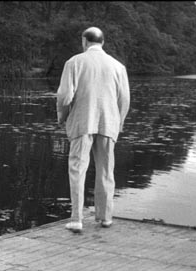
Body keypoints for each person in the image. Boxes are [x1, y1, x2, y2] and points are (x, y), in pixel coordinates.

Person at [56, 27, 131, 232]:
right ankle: (105, 217)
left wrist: (62, 117)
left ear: (84, 41)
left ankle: (77, 219)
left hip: (82, 121)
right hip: (109, 122)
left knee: (77, 169)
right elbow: (124, 99)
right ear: (103, 42)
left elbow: (64, 96)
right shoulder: (118, 66)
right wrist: (120, 121)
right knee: (106, 170)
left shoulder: (74, 63)